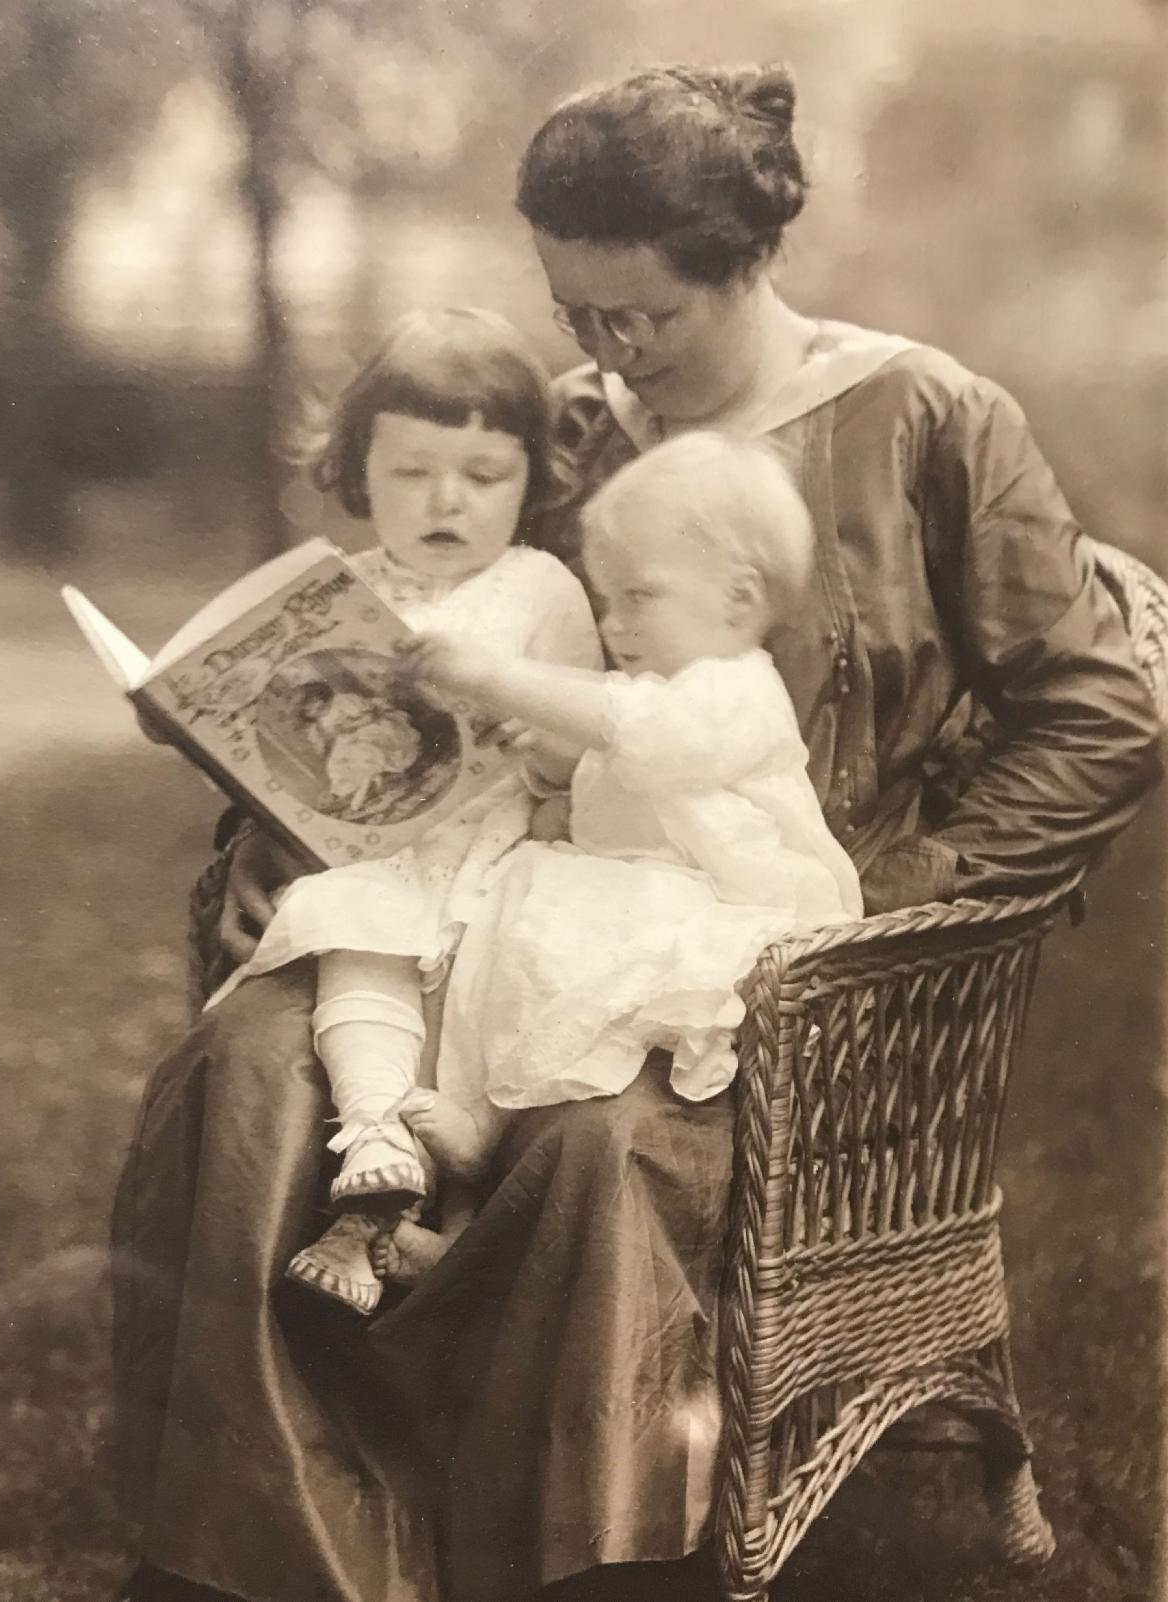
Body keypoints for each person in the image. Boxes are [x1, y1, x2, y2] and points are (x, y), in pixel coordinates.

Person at [113, 63, 1160, 1602]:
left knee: (596, 1141)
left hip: (790, 974)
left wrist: (895, 895)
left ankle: (568, 1563)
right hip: (524, 896)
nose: (604, 353)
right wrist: (302, 762)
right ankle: (260, 1554)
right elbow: (476, 655)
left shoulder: (926, 418)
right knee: (259, 1057)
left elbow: (1100, 711)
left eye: (641, 316)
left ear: (748, 263)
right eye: (574, 312)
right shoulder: (572, 432)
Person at [201, 303, 602, 1316]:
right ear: (358, 471)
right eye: (412, 471)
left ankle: (421, 1221)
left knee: (500, 981)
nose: (446, 500)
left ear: (532, 480)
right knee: (353, 922)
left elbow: (586, 747)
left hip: (499, 848)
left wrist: (531, 731)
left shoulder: (541, 590)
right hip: (378, 847)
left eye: (484, 476)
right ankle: (374, 1141)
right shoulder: (340, 590)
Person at [396, 432, 861, 1190]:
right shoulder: (664, 696)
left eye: (638, 597)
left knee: (560, 929)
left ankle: (483, 1141)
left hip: (734, 913)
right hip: (648, 897)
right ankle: (469, 1161)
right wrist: (548, 758)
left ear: (740, 599)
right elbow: (615, 779)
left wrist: (496, 677)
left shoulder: (738, 691)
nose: (613, 626)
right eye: (606, 602)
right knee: (505, 912)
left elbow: (648, 735)